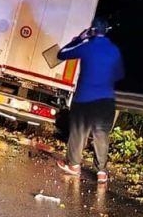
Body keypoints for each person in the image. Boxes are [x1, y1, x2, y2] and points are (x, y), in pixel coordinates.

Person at [56, 17, 125, 184]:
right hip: (106, 99)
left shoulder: (86, 46)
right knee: (101, 134)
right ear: (106, 31)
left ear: (92, 31)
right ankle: (101, 172)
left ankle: (74, 165)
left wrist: (79, 39)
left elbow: (61, 54)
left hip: (84, 98)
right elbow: (119, 74)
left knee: (79, 132)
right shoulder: (114, 50)